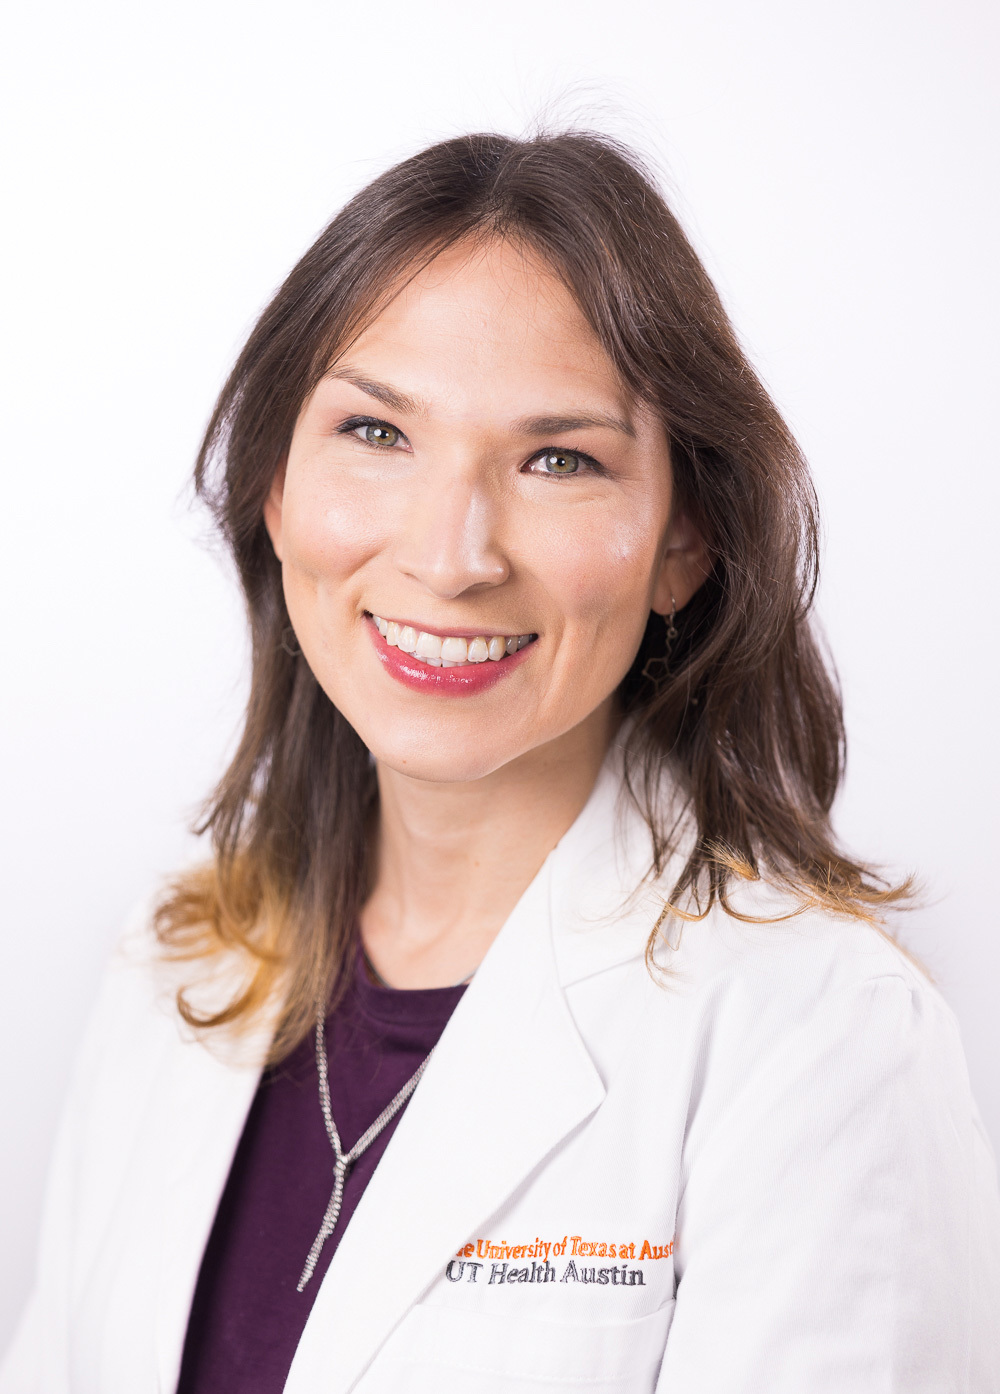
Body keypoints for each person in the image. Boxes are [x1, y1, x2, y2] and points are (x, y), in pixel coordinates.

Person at [3, 130, 998, 1394]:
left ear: (683, 537)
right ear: (274, 482)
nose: (454, 550)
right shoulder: (172, 971)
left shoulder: (818, 1036)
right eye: (376, 431)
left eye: (557, 459)